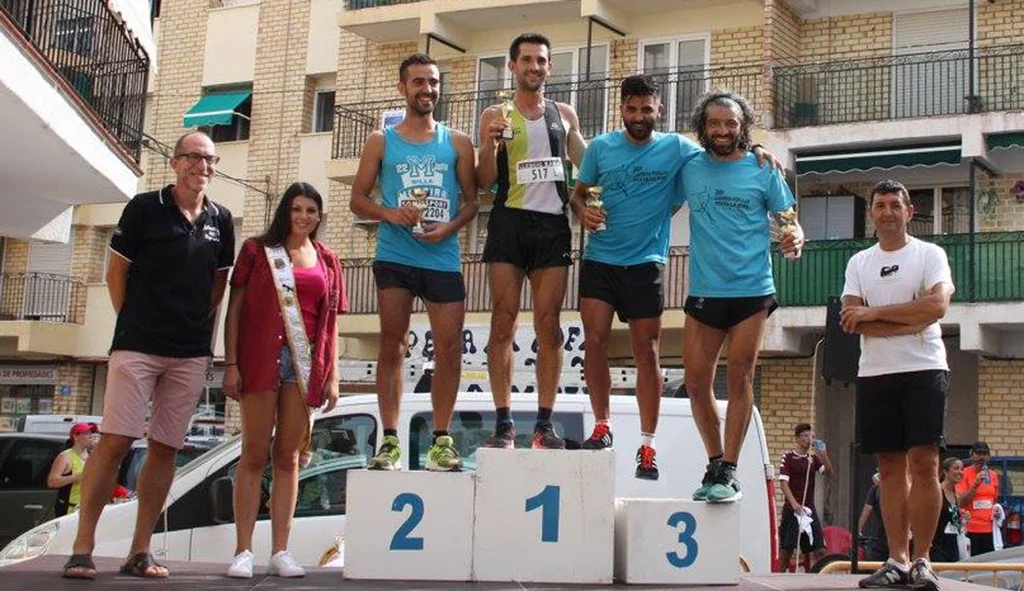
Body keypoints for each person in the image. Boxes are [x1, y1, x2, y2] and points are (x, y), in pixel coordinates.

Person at [61, 130, 235, 580]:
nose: (203, 166)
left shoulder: (222, 219)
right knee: (116, 440)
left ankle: (141, 550)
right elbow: (117, 271)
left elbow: (218, 284)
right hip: (137, 345)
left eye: (210, 160)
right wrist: (133, 320)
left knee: (165, 448)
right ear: (175, 163)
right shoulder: (143, 208)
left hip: (190, 352)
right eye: (194, 157)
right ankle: (83, 548)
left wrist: (194, 324)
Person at [350, 53, 478, 471]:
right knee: (393, 343)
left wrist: (449, 228)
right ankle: (389, 440)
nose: (427, 90)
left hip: (442, 256)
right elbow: (358, 199)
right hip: (396, 253)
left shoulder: (457, 142)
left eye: (434, 83)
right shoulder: (381, 141)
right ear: (402, 87)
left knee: (449, 349)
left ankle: (441, 440)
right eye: (419, 82)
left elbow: (473, 202)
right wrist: (390, 214)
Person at [678, 91, 804, 503]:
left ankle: (729, 469)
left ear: (742, 126)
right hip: (703, 291)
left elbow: (789, 220)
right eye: (714, 123)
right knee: (696, 383)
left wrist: (794, 236)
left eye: (730, 123)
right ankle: (714, 461)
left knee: (740, 377)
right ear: (703, 127)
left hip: (752, 289)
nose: (722, 130)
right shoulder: (689, 166)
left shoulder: (763, 168)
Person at [222, 182, 347, 578]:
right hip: (260, 359)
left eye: (311, 211)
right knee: (254, 454)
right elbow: (235, 310)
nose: (304, 217)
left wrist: (333, 378)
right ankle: (243, 551)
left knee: (289, 459)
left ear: (319, 216)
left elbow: (333, 323)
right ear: (285, 212)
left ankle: (281, 551)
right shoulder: (258, 251)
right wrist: (230, 363)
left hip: (305, 364)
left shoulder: (328, 259)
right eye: (297, 209)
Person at [841, 179, 954, 590]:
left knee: (925, 465)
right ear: (871, 213)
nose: (887, 212)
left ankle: (923, 559)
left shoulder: (930, 255)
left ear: (909, 211)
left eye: (895, 205)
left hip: (925, 369)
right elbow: (851, 319)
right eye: (880, 205)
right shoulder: (859, 263)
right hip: (875, 374)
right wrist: (910, 317)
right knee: (888, 469)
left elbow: (937, 306)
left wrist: (876, 317)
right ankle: (897, 559)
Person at [476, 33, 586, 450]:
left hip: (552, 225)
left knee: (549, 325)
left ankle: (543, 423)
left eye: (541, 60)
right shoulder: (495, 113)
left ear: (549, 67)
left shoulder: (563, 113)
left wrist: (587, 202)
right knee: (502, 320)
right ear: (512, 66)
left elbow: (585, 163)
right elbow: (484, 181)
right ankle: (503, 422)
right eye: (526, 60)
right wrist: (488, 143)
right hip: (508, 221)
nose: (534, 67)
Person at [777, 424, 834, 571]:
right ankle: (778, 578)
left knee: (820, 550)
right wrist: (795, 504)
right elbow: (783, 483)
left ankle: (819, 580)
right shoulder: (788, 457)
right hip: (792, 510)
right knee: (787, 552)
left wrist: (824, 454)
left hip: (809, 509)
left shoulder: (813, 459)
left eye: (812, 436)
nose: (809, 439)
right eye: (806, 435)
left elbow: (829, 473)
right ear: (797, 438)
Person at [956, 441, 1000, 556]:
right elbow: (961, 501)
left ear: (989, 456)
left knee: (989, 565)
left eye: (984, 454)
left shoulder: (993, 475)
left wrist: (997, 510)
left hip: (990, 529)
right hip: (971, 529)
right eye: (978, 453)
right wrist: (975, 485)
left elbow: (994, 500)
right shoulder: (964, 473)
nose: (981, 457)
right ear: (972, 455)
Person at [48, 423, 99, 516]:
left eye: (91, 433)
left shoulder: (92, 455)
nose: (91, 436)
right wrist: (75, 477)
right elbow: (52, 482)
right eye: (87, 433)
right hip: (70, 509)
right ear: (76, 437)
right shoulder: (65, 456)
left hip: (88, 507)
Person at [932, 457, 966, 563]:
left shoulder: (956, 496)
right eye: (956, 468)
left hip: (952, 546)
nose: (960, 472)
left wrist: (962, 519)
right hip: (936, 546)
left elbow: (954, 521)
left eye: (962, 469)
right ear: (946, 471)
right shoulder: (936, 492)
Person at [859, 473, 890, 562]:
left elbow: (866, 510)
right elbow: (866, 510)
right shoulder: (876, 489)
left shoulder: (877, 489)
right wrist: (858, 529)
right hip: (882, 538)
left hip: (885, 538)